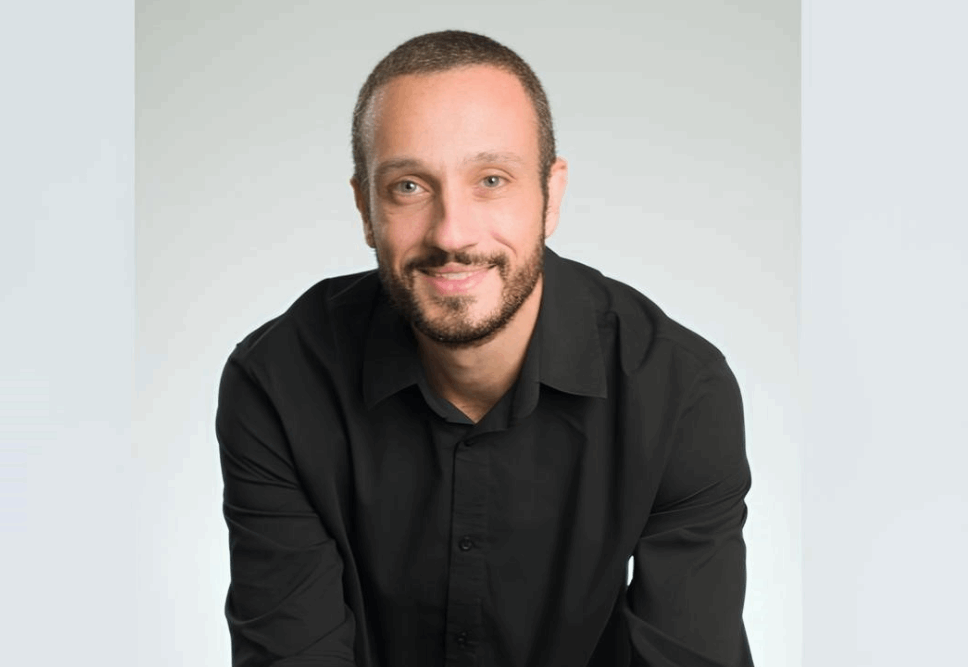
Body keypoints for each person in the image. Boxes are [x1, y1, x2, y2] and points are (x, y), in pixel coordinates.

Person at [216, 30, 753, 667]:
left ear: (551, 195)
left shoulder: (679, 391)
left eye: (491, 180)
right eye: (409, 187)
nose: (452, 233)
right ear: (365, 209)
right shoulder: (279, 381)